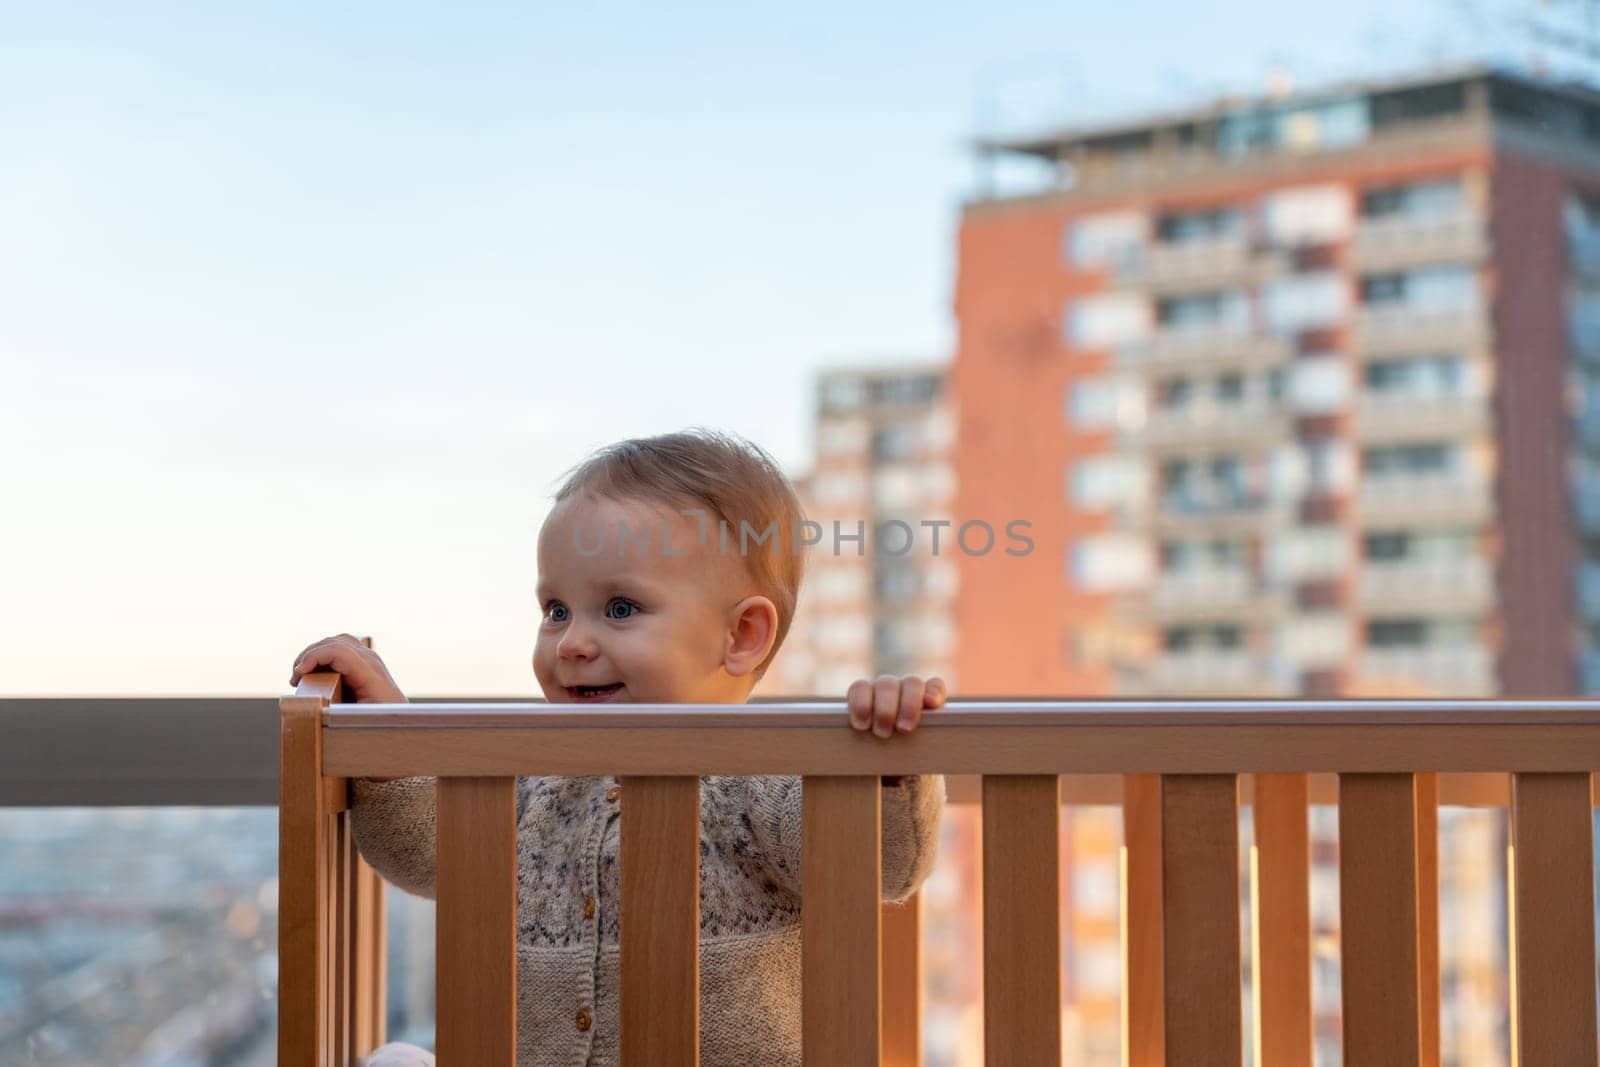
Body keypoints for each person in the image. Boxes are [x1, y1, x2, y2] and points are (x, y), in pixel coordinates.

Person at [287, 428, 948, 1067]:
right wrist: (388, 736)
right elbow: (427, 852)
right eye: (555, 609)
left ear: (741, 634)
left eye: (621, 608)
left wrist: (887, 761)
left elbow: (881, 867)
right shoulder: (533, 781)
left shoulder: (762, 781)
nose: (572, 641)